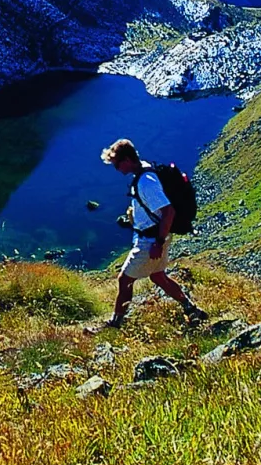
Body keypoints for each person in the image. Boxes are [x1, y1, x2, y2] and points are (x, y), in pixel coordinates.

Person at [86, 138, 207, 332]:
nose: (116, 168)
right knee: (158, 276)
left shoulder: (146, 182)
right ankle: (190, 307)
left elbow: (168, 212)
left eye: (117, 164)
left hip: (150, 241)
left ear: (127, 159)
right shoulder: (144, 169)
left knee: (124, 280)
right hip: (157, 237)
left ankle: (115, 324)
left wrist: (157, 242)